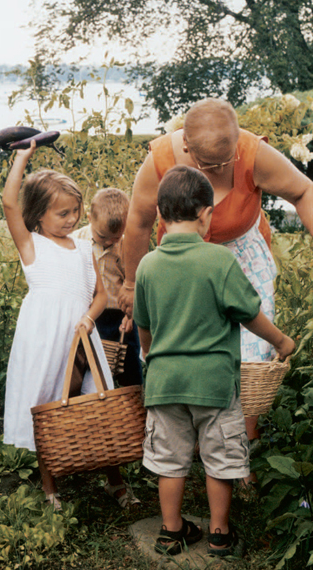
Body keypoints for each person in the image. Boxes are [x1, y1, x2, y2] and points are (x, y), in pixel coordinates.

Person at [119, 97, 313, 445]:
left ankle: (242, 439)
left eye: (226, 161)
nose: (218, 170)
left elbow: (303, 191)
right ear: (186, 146)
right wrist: (132, 283)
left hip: (242, 256)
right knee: (186, 343)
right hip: (180, 261)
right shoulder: (160, 159)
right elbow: (137, 223)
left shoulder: (253, 153)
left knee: (251, 347)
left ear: (237, 142)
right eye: (208, 163)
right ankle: (185, 430)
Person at [133, 165, 295, 557]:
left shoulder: (147, 266)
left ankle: (172, 531)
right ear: (206, 214)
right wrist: (281, 340)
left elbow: (144, 327)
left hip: (165, 383)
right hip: (214, 385)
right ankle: (219, 533)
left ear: (159, 214)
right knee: (219, 458)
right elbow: (249, 314)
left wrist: (150, 354)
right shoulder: (219, 262)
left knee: (170, 462)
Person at [2, 141, 140, 510]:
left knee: (97, 402)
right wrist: (22, 158)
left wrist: (89, 318)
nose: (71, 220)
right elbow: (9, 203)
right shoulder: (31, 246)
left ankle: (114, 479)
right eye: (62, 213)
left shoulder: (81, 250)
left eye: (76, 212)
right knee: (47, 405)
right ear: (38, 215)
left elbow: (97, 295)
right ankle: (51, 487)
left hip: (81, 336)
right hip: (45, 338)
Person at [73, 188, 143, 386]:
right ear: (89, 218)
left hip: (119, 316)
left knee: (128, 361)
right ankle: (92, 402)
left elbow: (135, 284)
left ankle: (133, 404)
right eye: (103, 236)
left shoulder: (127, 246)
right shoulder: (76, 241)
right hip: (88, 313)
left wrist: (130, 315)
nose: (110, 242)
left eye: (116, 237)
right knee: (89, 363)